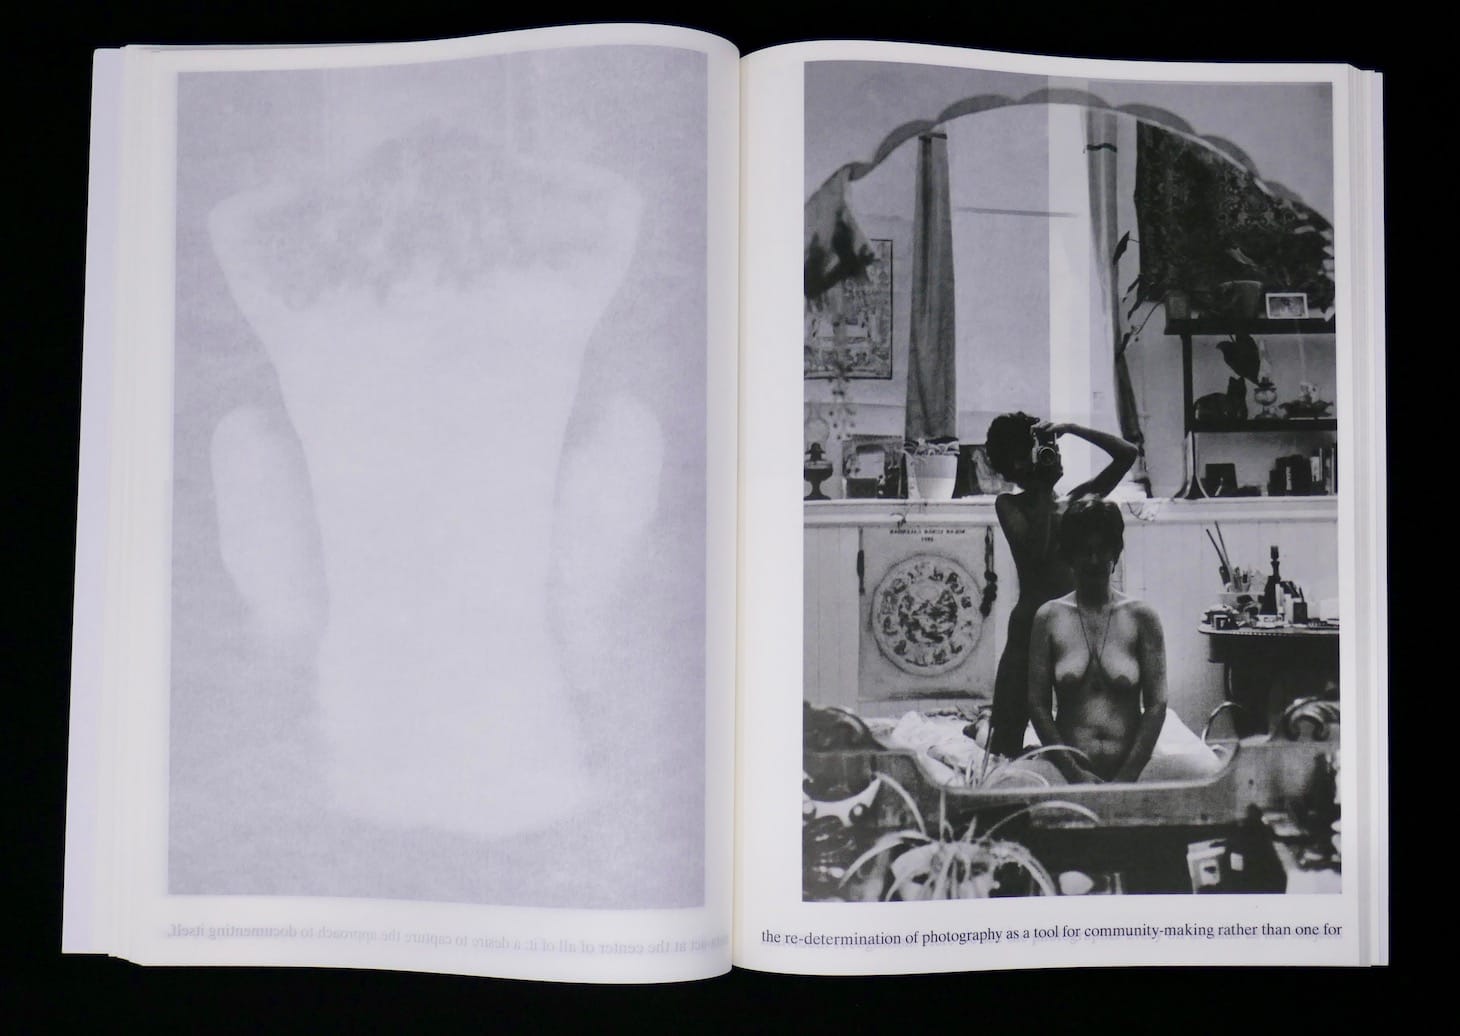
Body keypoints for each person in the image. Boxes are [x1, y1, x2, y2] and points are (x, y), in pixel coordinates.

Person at [983, 413, 1137, 758]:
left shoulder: (1075, 503)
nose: (1050, 456)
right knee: (1003, 742)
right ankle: (980, 728)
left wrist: (1072, 429)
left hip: (1071, 629)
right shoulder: (1008, 504)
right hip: (1028, 628)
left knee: (1081, 733)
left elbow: (1127, 454)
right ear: (1016, 464)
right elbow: (1036, 551)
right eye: (1038, 451)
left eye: (1049, 448)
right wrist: (1042, 486)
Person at [1027, 497, 1166, 783]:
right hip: (1067, 770)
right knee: (1011, 784)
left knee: (1203, 774)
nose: (1093, 560)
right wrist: (1074, 774)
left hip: (1132, 770)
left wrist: (1127, 777)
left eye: (1101, 550)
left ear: (1115, 553)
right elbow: (1037, 706)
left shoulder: (1142, 617)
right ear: (1070, 556)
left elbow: (1157, 705)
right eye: (1084, 551)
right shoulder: (1048, 617)